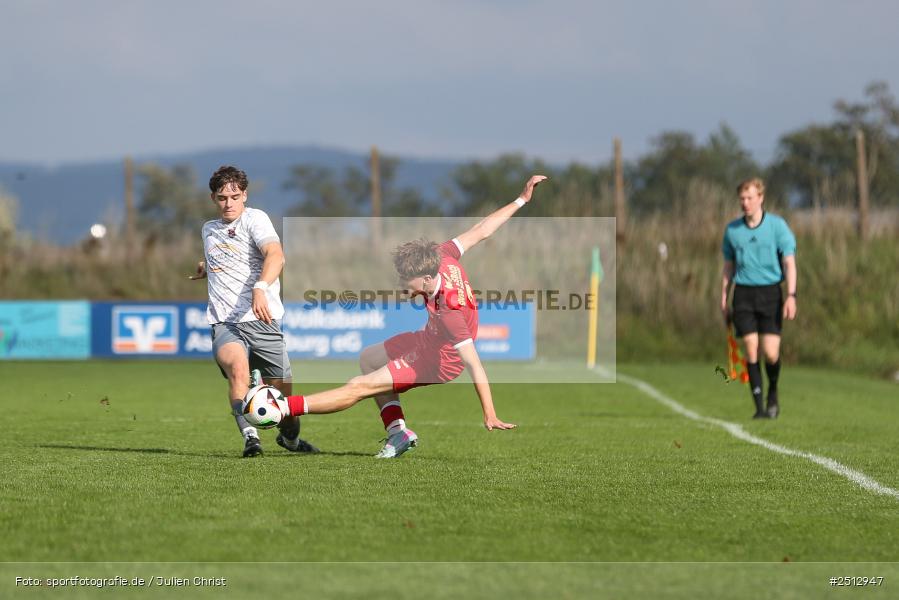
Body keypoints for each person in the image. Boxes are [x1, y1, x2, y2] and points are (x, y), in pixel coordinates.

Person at [250, 175, 548, 458]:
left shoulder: (450, 312)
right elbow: (483, 230)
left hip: (439, 361)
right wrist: (521, 200)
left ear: (428, 278)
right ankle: (398, 432)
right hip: (428, 340)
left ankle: (283, 408)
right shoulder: (442, 256)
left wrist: (489, 413)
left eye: (408, 280)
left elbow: (474, 364)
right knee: (369, 358)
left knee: (360, 386)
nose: (403, 284)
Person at [192, 165, 317, 457]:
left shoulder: (255, 219)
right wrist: (207, 266)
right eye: (222, 197)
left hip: (263, 321)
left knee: (285, 404)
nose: (229, 203)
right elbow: (226, 255)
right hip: (226, 323)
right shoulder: (208, 229)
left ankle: (291, 440)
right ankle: (251, 439)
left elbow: (275, 254)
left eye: (235, 196)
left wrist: (260, 288)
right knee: (238, 372)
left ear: (244, 195)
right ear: (213, 198)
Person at [720, 177, 797, 419]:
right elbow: (728, 267)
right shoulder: (733, 231)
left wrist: (791, 295)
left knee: (771, 353)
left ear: (761, 198)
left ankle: (772, 391)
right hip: (743, 294)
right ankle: (759, 408)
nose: (745, 203)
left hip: (771, 293)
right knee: (751, 349)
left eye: (750, 198)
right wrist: (724, 296)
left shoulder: (777, 226)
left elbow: (789, 263)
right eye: (742, 199)